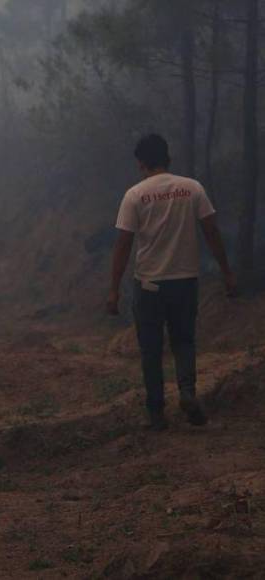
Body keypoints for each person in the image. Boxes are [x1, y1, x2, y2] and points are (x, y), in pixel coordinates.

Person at [107, 133, 237, 431]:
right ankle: (188, 394)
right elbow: (212, 232)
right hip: (185, 281)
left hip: (149, 285)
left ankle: (156, 413)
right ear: (168, 157)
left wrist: (113, 290)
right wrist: (227, 272)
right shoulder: (192, 188)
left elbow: (123, 245)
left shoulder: (135, 195)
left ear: (141, 163)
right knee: (184, 341)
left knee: (151, 350)